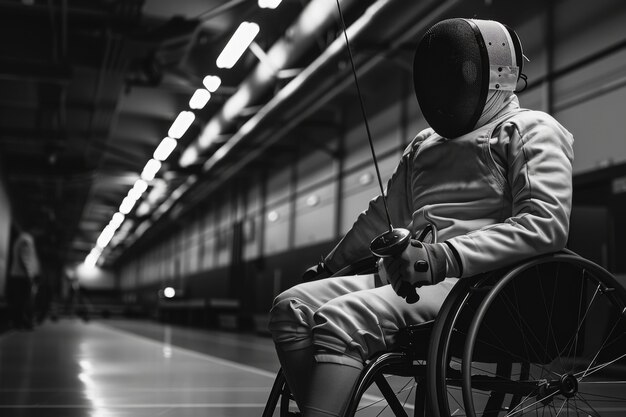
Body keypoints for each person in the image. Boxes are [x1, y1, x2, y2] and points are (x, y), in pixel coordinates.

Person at [268, 18, 574, 417]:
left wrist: (439, 258)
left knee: (340, 319)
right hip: (408, 279)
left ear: (496, 73)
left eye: (458, 70)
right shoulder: (424, 145)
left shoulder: (530, 129)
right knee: (289, 307)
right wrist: (330, 266)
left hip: (478, 290)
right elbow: (383, 213)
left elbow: (545, 224)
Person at [6, 225, 41, 330]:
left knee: (20, 300)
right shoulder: (26, 240)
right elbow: (24, 258)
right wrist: (28, 275)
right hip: (21, 276)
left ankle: (19, 322)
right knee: (22, 301)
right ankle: (19, 323)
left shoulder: (22, 239)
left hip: (19, 275)